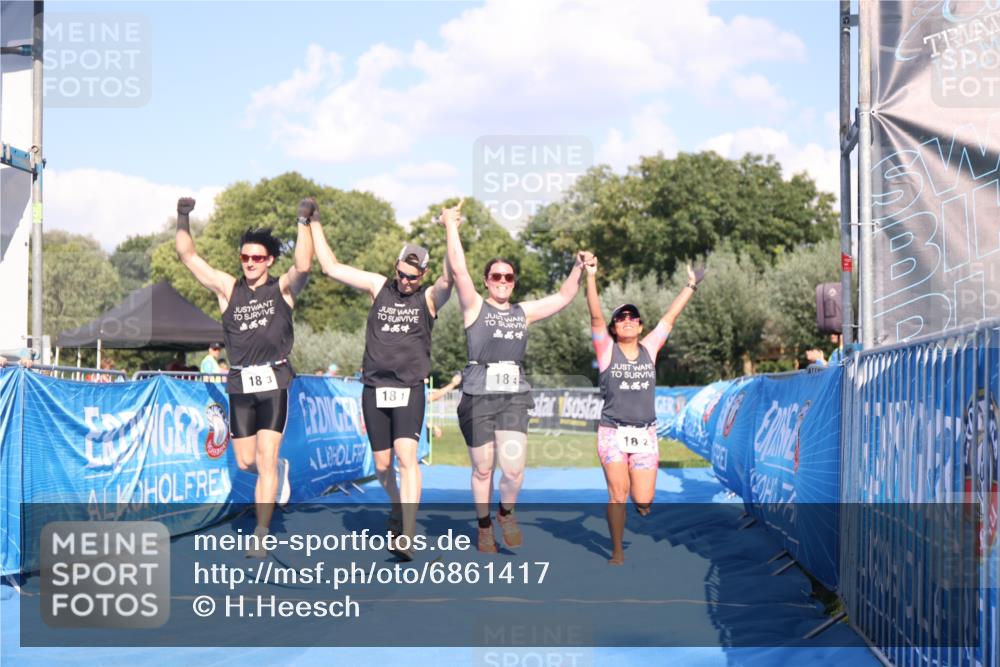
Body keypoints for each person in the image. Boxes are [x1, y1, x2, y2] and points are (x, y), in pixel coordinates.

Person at [440, 200, 589, 552]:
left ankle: (506, 511)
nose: (502, 282)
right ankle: (484, 525)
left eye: (508, 277)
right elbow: (459, 271)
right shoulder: (474, 306)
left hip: (513, 395)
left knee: (514, 470)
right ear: (487, 282)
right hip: (478, 394)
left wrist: (578, 267)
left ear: (514, 282)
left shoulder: (524, 313)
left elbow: (565, 296)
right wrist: (451, 226)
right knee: (483, 468)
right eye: (496, 276)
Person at [310, 201, 455, 560]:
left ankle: (406, 532)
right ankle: (397, 507)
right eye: (402, 274)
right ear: (396, 268)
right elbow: (330, 267)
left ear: (423, 275)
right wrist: (313, 221)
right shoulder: (379, 287)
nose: (406, 281)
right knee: (381, 466)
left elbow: (453, 277)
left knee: (407, 457)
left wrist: (451, 227)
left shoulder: (430, 299)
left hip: (409, 388)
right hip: (375, 389)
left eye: (413, 276)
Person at [174, 195, 314, 558]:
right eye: (245, 257)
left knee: (265, 460)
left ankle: (261, 534)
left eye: (257, 258)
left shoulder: (281, 288)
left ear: (268, 261)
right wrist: (183, 216)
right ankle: (278, 469)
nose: (250, 263)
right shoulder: (227, 288)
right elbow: (188, 257)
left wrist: (303, 222)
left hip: (275, 381)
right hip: (240, 384)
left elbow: (303, 264)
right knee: (245, 462)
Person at [584, 256, 702, 564]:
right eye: (621, 317)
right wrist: (591, 276)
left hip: (645, 433)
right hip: (612, 431)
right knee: (618, 493)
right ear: (614, 326)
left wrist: (690, 285)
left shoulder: (649, 349)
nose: (626, 320)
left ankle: (641, 503)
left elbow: (670, 319)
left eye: (632, 317)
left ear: (640, 325)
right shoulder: (607, 350)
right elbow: (595, 316)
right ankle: (617, 550)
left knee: (644, 498)